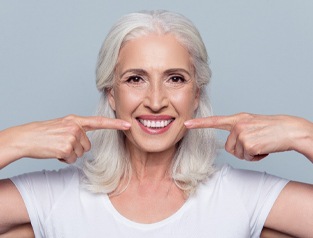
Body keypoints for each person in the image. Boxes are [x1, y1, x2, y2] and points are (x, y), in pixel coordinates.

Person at [0, 10, 312, 238]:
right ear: (111, 94)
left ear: (195, 94)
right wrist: (14, 142)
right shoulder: (54, 198)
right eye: (135, 79)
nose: (155, 100)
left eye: (175, 79)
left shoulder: (241, 197)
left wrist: (302, 134)